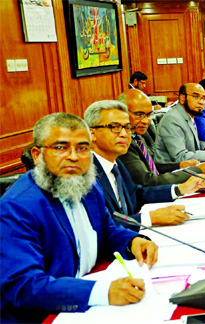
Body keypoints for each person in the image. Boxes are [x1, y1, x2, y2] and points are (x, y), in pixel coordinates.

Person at [0, 113, 158, 323]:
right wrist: (102, 292)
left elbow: (107, 232)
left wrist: (132, 242)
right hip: (44, 315)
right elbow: (25, 286)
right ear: (37, 155)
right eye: (60, 148)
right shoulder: (16, 207)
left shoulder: (87, 185)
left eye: (83, 148)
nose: (74, 156)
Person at [84, 100, 205, 232]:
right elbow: (100, 224)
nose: (124, 134)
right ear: (92, 134)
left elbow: (137, 194)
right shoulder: (86, 174)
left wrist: (180, 189)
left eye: (127, 127)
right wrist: (150, 218)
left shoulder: (115, 163)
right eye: (115, 127)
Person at [117, 89, 205, 186]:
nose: (146, 121)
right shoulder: (123, 142)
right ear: (122, 113)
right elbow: (147, 181)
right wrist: (196, 171)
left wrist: (180, 165)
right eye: (139, 115)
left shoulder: (137, 135)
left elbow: (149, 166)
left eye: (148, 115)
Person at [155, 83, 205, 162]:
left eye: (203, 98)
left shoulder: (188, 115)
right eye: (196, 97)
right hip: (172, 171)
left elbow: (188, 143)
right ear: (182, 98)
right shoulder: (172, 119)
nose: (201, 102)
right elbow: (180, 156)